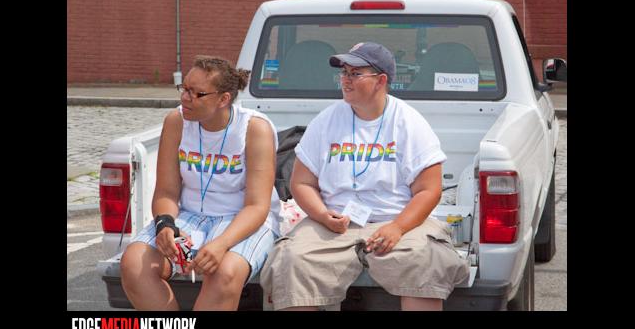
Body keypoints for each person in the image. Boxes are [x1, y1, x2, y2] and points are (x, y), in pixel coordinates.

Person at [259, 42, 470, 311]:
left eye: (355, 74)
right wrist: (322, 215)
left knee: (427, 259)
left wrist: (397, 228)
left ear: (381, 80)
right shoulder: (326, 120)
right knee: (291, 259)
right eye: (344, 73)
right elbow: (301, 182)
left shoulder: (409, 122)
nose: (345, 80)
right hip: (333, 224)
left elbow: (429, 190)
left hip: (397, 221)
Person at [120, 56, 281, 311]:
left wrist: (221, 243)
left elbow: (257, 206)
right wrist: (165, 224)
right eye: (184, 89)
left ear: (223, 99)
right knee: (134, 263)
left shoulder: (254, 128)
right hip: (190, 215)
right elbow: (166, 191)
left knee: (224, 273)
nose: (185, 98)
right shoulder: (176, 121)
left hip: (241, 218)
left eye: (197, 93)